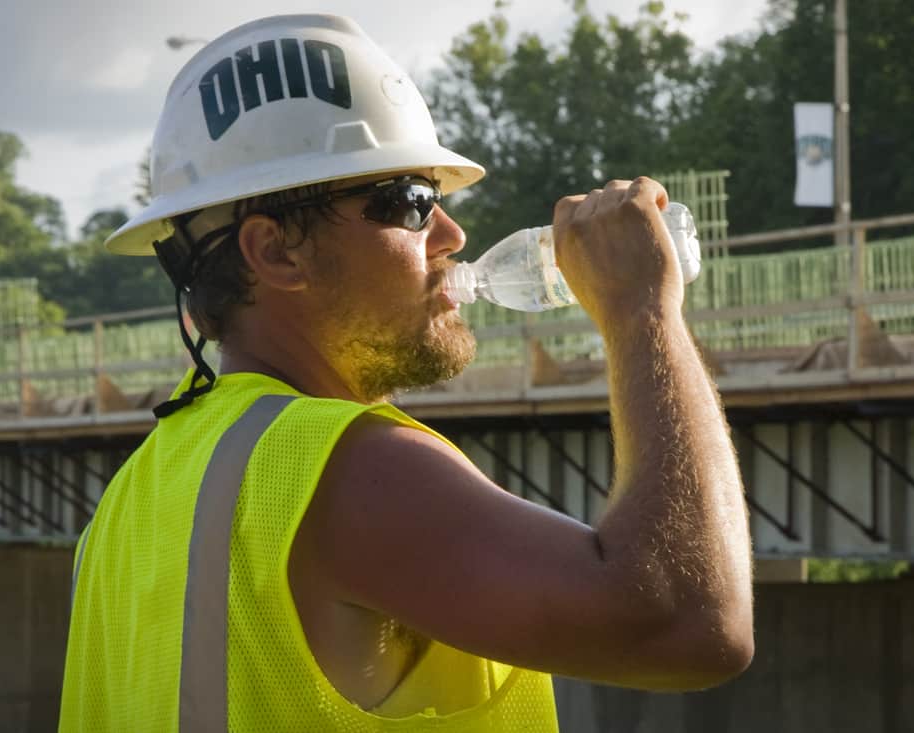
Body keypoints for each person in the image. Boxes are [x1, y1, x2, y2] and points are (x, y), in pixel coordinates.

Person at [58, 13, 754, 732]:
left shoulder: (131, 502)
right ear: (275, 253)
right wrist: (642, 311)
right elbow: (689, 618)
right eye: (411, 202)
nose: (452, 235)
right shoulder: (344, 467)